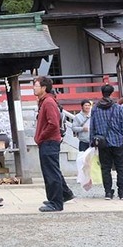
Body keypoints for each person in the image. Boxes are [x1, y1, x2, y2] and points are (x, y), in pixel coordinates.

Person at [33, 75, 73, 211]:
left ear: (43, 88)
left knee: (51, 172)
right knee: (52, 170)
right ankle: (64, 194)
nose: (33, 88)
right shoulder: (45, 101)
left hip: (49, 141)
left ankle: (56, 202)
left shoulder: (48, 102)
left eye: (36, 85)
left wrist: (41, 136)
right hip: (48, 141)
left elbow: (53, 124)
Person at [88, 84, 123, 199]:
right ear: (111, 93)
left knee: (105, 168)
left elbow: (92, 126)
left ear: (102, 93)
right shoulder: (118, 107)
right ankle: (122, 192)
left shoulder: (96, 108)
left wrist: (92, 141)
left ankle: (107, 192)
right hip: (118, 141)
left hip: (103, 143)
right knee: (121, 167)